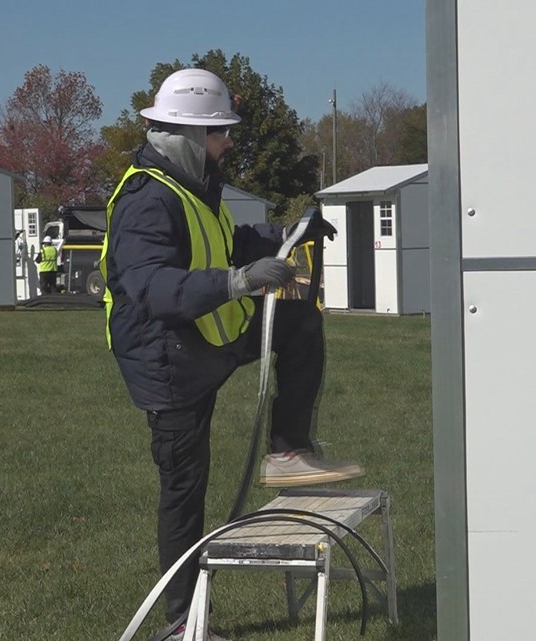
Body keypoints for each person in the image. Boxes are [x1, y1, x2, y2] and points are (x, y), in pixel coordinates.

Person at [98, 68, 361, 638]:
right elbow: (155, 289)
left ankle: (287, 451)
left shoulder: (192, 187)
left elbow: (225, 242)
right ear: (190, 136)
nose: (229, 143)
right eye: (220, 133)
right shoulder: (148, 200)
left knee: (296, 306)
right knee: (185, 488)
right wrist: (241, 280)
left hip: (206, 336)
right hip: (167, 362)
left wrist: (290, 232)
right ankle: (180, 626)